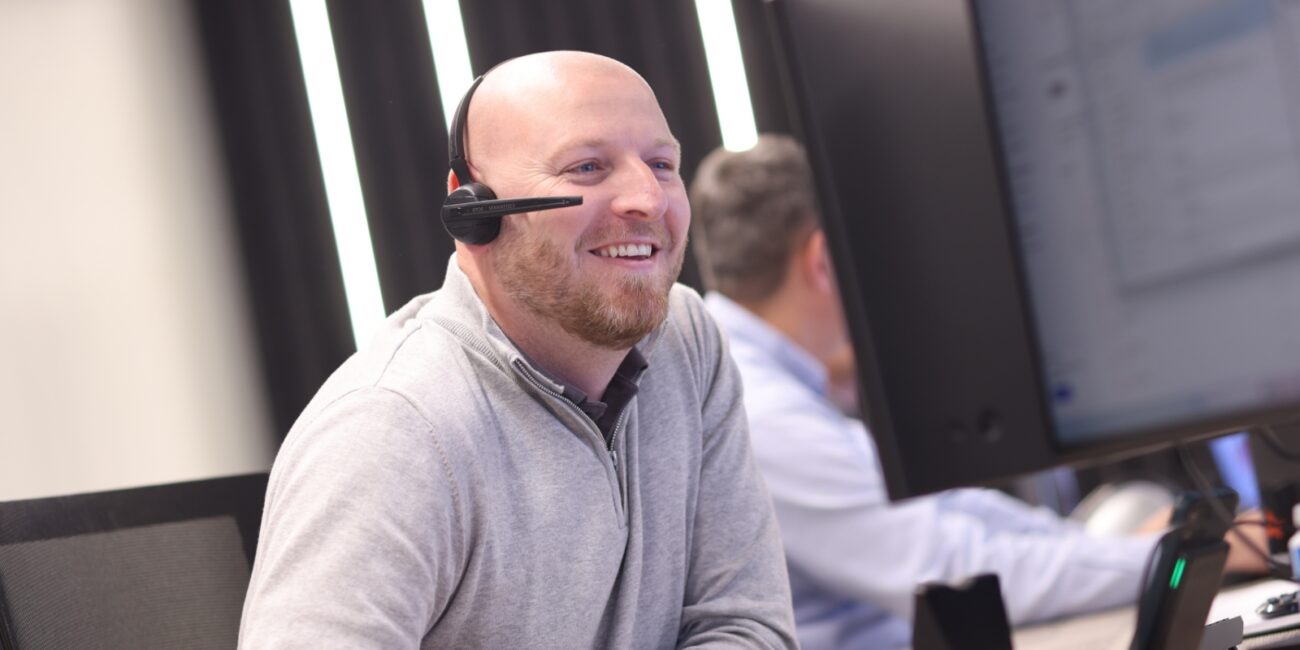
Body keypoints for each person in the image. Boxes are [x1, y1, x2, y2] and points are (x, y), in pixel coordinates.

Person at [239, 52, 797, 649]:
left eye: (662, 164)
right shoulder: (394, 431)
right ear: (472, 210)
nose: (648, 199)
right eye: (586, 167)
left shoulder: (686, 341)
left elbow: (745, 626)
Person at [688, 134, 1268, 649]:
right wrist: (1181, 554)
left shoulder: (766, 382)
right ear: (822, 261)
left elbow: (945, 510)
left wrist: (1104, 545)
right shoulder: (759, 409)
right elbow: (958, 569)